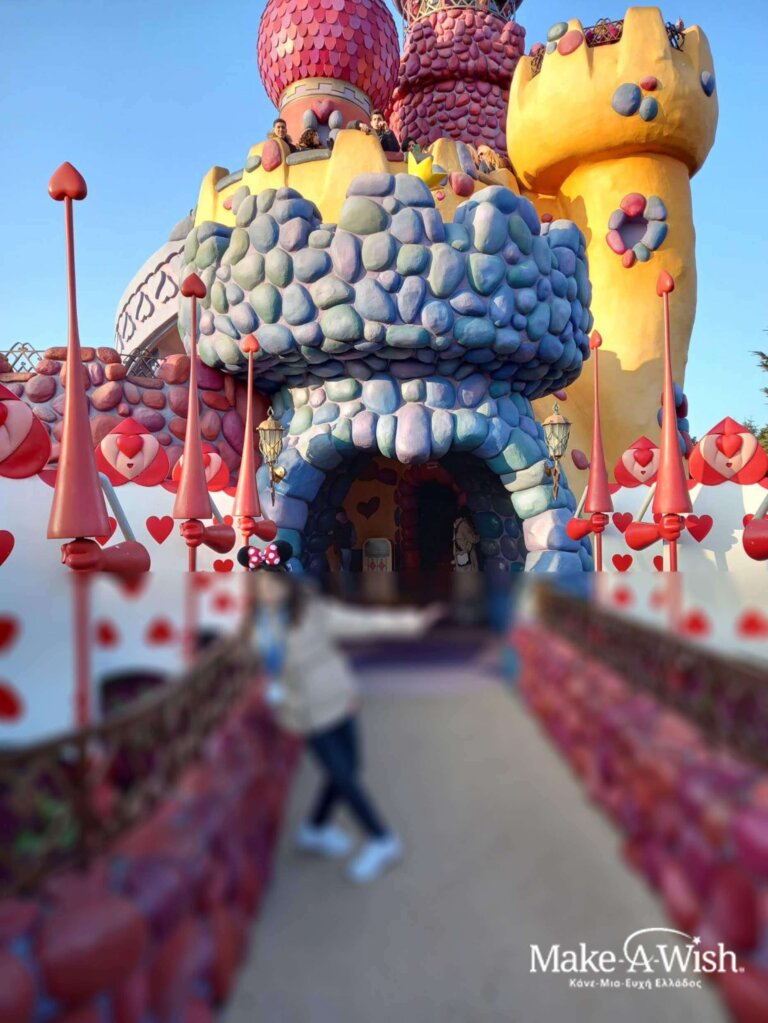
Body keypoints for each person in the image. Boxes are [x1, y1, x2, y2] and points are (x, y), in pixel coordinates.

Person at [239, 540, 445, 883]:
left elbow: (362, 622)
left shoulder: (312, 611)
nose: (268, 592)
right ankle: (382, 838)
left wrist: (413, 621)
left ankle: (315, 828)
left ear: (286, 583)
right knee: (344, 776)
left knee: (347, 771)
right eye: (260, 585)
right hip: (306, 713)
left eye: (273, 583)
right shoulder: (256, 628)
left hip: (339, 699)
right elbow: (249, 666)